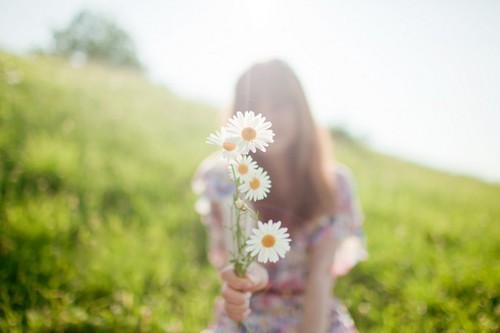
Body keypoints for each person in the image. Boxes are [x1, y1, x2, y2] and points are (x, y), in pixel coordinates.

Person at [192, 59, 367, 333]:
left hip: (313, 311)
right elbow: (242, 261)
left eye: (279, 106)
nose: (265, 120)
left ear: (301, 111)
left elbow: (320, 278)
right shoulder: (227, 177)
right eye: (254, 110)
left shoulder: (335, 186)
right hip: (250, 310)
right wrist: (249, 278)